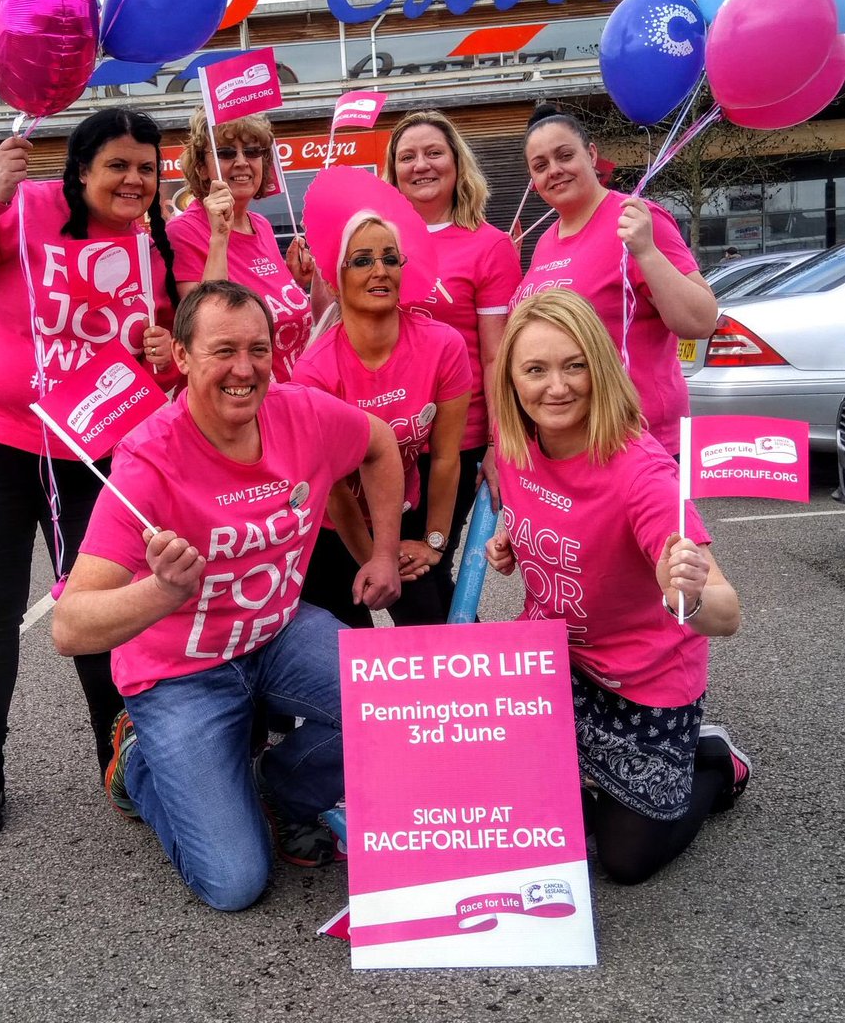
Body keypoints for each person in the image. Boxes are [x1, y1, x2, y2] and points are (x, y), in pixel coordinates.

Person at [51, 280, 403, 911]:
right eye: (223, 351)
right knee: (235, 883)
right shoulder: (146, 462)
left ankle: (277, 788)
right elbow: (70, 627)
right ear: (182, 357)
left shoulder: (302, 412)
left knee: (398, 707)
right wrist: (161, 593)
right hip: (179, 674)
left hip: (278, 634)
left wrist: (381, 550)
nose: (245, 369)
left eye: (258, 349)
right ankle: (137, 760)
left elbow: (379, 444)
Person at [0, 108, 180, 839]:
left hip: (89, 450)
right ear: (82, 169)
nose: (134, 180)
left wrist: (163, 356)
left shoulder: (158, 247)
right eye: (118, 164)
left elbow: (171, 366)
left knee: (96, 607)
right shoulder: (24, 209)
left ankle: (115, 757)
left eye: (147, 167)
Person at [486, 288, 750, 885]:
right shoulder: (515, 448)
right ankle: (595, 771)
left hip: (644, 682)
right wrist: (512, 541)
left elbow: (727, 612)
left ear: (599, 370)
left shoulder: (642, 472)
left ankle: (712, 762)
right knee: (518, 807)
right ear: (512, 379)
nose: (555, 387)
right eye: (535, 369)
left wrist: (683, 591)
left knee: (626, 862)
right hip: (554, 663)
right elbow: (552, 517)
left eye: (574, 365)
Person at [293, 210, 471, 626]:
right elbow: (335, 491)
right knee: (343, 664)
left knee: (442, 635)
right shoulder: (314, 372)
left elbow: (446, 457)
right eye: (362, 260)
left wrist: (435, 542)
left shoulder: (443, 346)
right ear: (335, 280)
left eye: (390, 259)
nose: (380, 270)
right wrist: (377, 561)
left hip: (404, 511)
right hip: (334, 531)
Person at [517, 103, 718, 456]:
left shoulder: (636, 219)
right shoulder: (545, 241)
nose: (555, 171)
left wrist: (647, 252)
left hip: (639, 442)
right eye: (541, 165)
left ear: (592, 154)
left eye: (565, 155)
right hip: (575, 442)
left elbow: (701, 320)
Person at [383, 109, 522, 615]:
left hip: (456, 441)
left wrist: (500, 444)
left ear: (457, 164)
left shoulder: (490, 246)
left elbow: (496, 354)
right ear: (393, 171)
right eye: (407, 156)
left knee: (418, 569)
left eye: (433, 152)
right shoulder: (381, 242)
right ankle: (466, 677)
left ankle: (458, 681)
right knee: (405, 569)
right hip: (386, 438)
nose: (421, 165)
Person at [167, 109, 313, 381]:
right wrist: (219, 237)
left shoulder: (262, 225)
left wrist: (295, 282)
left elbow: (265, 303)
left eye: (253, 151)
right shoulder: (183, 231)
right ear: (201, 167)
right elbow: (205, 327)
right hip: (244, 401)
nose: (242, 162)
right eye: (225, 153)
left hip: (292, 397)